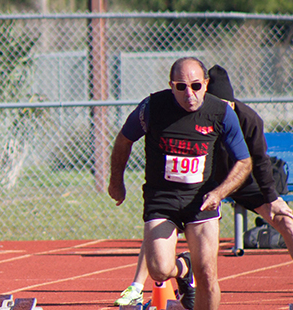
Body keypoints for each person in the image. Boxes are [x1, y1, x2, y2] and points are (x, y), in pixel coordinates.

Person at [113, 64, 293, 308]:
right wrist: (116, 182)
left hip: (213, 194)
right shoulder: (152, 108)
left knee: (208, 275)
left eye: (196, 86)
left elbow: (249, 160)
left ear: (205, 84)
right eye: (181, 87)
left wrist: (227, 194)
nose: (190, 94)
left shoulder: (225, 113)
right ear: (171, 86)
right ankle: (184, 268)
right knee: (159, 270)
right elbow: (124, 139)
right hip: (166, 197)